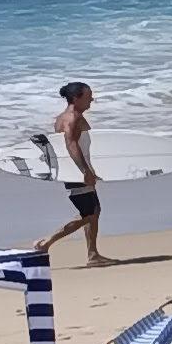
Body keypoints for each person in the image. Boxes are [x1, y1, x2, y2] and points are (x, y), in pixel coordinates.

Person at [39, 79, 116, 268]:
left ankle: (93, 254)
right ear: (76, 97)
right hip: (76, 173)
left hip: (77, 171)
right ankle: (46, 242)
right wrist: (85, 171)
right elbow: (70, 144)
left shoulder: (67, 116)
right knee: (89, 213)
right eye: (88, 97)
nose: (92, 100)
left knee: (93, 211)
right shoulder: (71, 118)